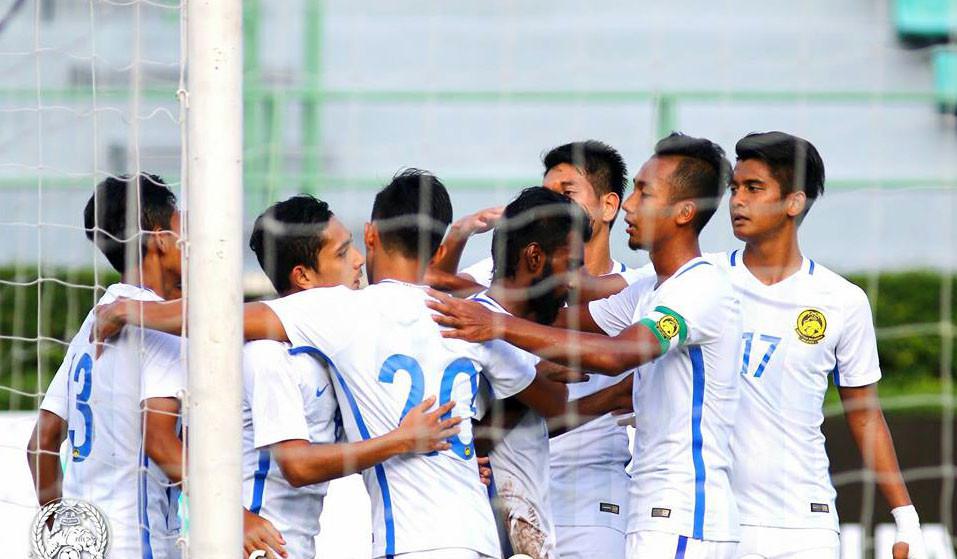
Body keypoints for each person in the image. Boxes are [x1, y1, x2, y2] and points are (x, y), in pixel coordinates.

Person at [96, 169, 572, 559]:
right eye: (342, 253)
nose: (357, 261)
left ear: (373, 233)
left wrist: (130, 310)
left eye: (353, 247)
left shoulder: (346, 317)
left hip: (407, 541)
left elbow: (218, 319)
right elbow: (554, 398)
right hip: (279, 543)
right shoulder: (460, 316)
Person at [428, 133, 743, 558]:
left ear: (684, 212)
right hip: (651, 512)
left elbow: (615, 356)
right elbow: (552, 322)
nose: (629, 204)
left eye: (644, 193)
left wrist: (496, 326)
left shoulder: (700, 287)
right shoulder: (647, 291)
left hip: (685, 514)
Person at [718, 132, 925, 559]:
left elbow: (864, 413)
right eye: (734, 188)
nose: (737, 200)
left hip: (806, 524)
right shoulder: (703, 281)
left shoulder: (841, 300)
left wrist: (906, 518)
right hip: (715, 520)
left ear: (794, 202)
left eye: (753, 188)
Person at [434, 140, 641, 559]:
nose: (575, 281)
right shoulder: (488, 307)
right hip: (501, 504)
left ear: (608, 205)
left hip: (591, 493)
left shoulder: (633, 290)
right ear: (532, 256)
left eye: (566, 192)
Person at [241, 194, 463, 559]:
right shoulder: (269, 354)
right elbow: (297, 466)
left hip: (294, 544)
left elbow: (352, 448)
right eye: (343, 253)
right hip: (258, 546)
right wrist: (401, 441)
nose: (359, 259)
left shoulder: (333, 354)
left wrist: (455, 455)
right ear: (303, 276)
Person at [28, 174, 187, 557]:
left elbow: (41, 444)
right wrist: (233, 512)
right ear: (160, 239)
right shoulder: (161, 331)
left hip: (87, 543)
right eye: (183, 230)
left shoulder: (93, 322)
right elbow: (160, 443)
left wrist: (62, 534)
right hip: (138, 543)